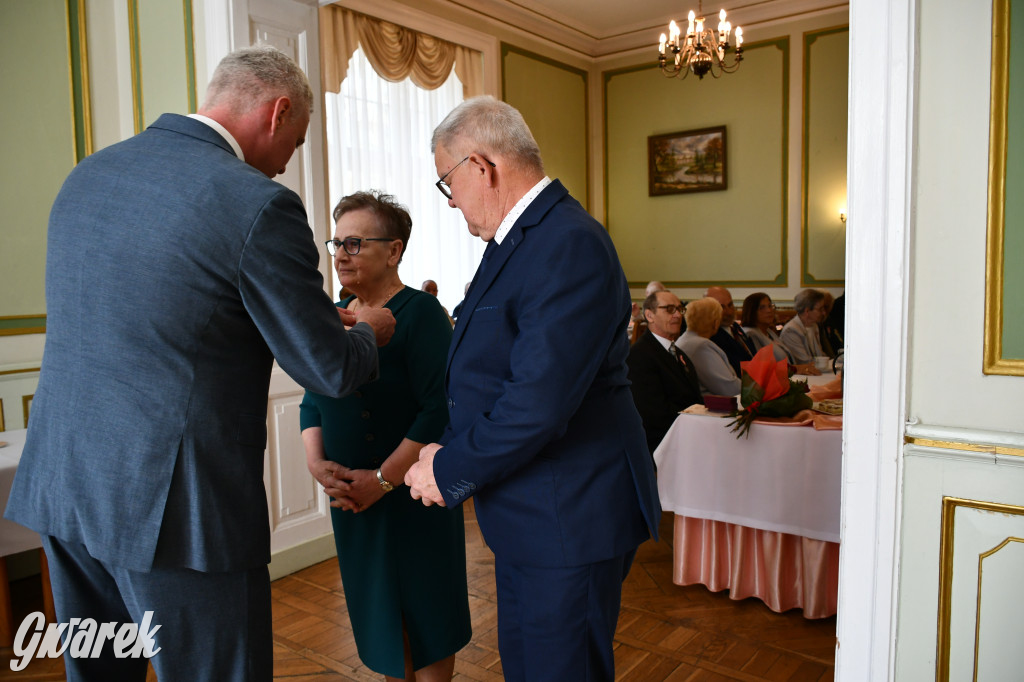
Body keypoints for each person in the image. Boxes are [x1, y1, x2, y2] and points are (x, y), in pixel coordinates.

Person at [4, 45, 395, 681]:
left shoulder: (89, 175)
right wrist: (370, 332)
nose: (286, 162)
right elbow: (329, 369)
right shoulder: (258, 204)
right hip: (176, 514)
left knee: (100, 672)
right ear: (278, 111)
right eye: (295, 142)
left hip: (67, 486)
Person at [404, 96, 660, 682]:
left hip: (568, 513)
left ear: (481, 166)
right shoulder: (520, 241)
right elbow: (491, 372)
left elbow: (537, 402)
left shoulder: (567, 242)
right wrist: (446, 450)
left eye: (447, 183)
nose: (451, 202)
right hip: (532, 509)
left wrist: (449, 469)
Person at [301, 191, 470, 681]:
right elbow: (312, 398)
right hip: (352, 502)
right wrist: (316, 464)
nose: (340, 254)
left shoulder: (423, 312)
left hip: (413, 494)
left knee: (428, 615)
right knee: (379, 617)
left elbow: (437, 410)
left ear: (394, 250)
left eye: (354, 243)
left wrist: (381, 480)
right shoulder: (332, 314)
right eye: (336, 243)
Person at [626, 291, 702, 455]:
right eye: (669, 309)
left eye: (679, 309)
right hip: (665, 447)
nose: (677, 315)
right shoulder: (639, 356)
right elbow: (653, 414)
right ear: (649, 315)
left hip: (689, 436)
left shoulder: (678, 353)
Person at [739, 292, 820, 375]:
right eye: (762, 308)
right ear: (751, 312)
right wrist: (795, 369)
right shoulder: (750, 334)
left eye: (770, 306)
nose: (769, 310)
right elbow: (762, 367)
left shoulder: (769, 332)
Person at [677, 297, 742, 396]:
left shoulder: (684, 339)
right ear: (716, 323)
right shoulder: (701, 346)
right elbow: (729, 388)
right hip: (711, 404)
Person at [705, 285, 756, 375]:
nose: (729, 312)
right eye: (722, 307)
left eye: (730, 305)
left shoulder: (734, 326)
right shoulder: (710, 335)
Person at [780, 288, 828, 364]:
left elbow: (819, 355)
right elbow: (803, 361)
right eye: (820, 309)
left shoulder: (814, 326)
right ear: (807, 311)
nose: (824, 313)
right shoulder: (791, 330)